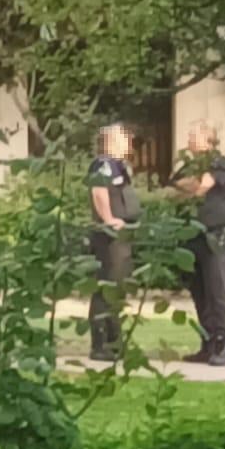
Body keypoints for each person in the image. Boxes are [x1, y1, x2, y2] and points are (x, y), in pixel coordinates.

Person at [172, 122, 225, 366]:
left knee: (218, 292)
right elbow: (173, 187)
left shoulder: (219, 162)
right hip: (194, 237)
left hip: (218, 236)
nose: (189, 138)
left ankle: (221, 346)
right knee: (200, 292)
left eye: (194, 134)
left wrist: (191, 187)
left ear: (208, 140)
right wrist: (188, 186)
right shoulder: (189, 166)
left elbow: (201, 186)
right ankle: (207, 344)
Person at [86, 124, 142, 361]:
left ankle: (115, 341)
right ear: (111, 141)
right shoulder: (104, 164)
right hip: (109, 236)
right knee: (107, 287)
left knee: (117, 287)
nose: (128, 141)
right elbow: (99, 192)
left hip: (121, 234)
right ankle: (101, 344)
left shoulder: (119, 166)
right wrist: (109, 220)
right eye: (123, 138)